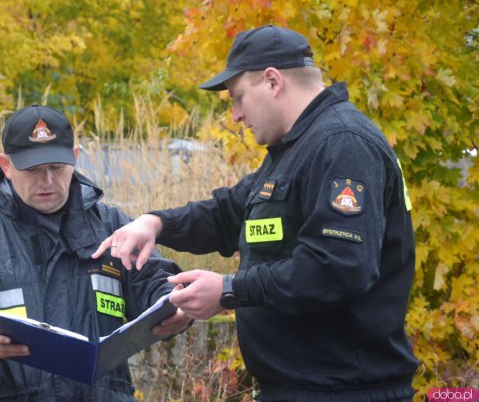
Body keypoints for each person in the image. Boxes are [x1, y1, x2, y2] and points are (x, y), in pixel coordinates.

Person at [93, 25, 419, 401]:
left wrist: (230, 291)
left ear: (272, 81)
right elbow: (227, 214)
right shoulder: (295, 151)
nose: (235, 115)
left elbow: (337, 268)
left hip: (345, 390)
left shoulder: (342, 144)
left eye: (238, 98)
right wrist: (157, 223)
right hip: (297, 389)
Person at [0, 104, 191, 401]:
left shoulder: (114, 229)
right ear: (6, 165)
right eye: (33, 169)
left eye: (56, 167)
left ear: (75, 158)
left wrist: (178, 308)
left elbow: (160, 286)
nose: (47, 181)